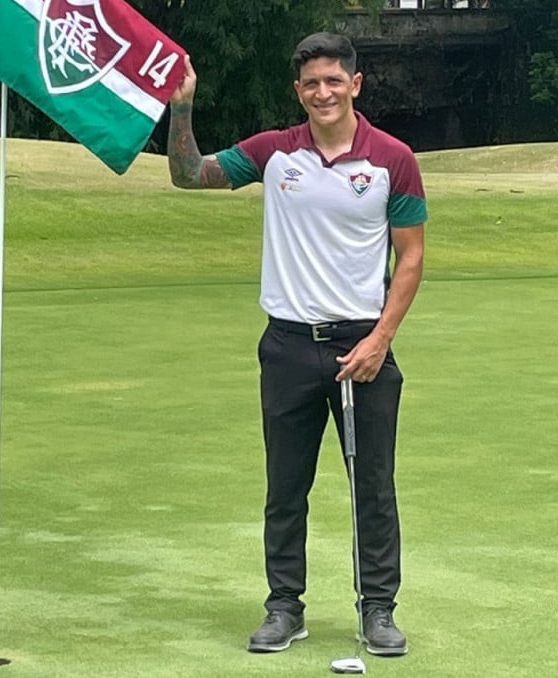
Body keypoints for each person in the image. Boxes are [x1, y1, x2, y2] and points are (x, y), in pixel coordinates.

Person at [166, 32, 426, 657]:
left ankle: (378, 608)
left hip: (362, 349)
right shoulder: (274, 153)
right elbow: (187, 175)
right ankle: (285, 606)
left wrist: (379, 339)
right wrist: (180, 106)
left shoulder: (392, 159)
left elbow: (411, 256)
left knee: (374, 487)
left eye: (334, 80)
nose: (323, 92)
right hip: (287, 346)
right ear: (298, 91)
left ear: (355, 84)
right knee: (285, 487)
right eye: (311, 83)